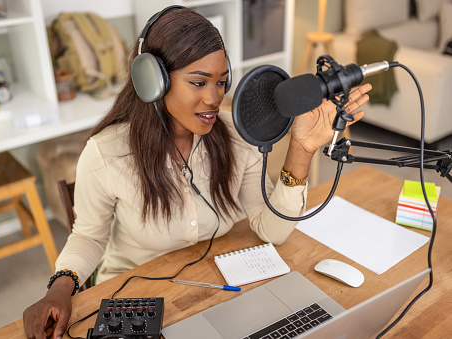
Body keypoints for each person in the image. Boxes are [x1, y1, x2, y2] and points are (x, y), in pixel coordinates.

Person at [23, 6, 371, 339]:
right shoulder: (107, 152)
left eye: (221, 82)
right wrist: (60, 287)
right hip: (136, 297)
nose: (214, 98)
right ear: (153, 81)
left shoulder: (236, 136)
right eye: (199, 82)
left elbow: (273, 230)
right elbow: (88, 235)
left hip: (216, 286)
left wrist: (303, 148)